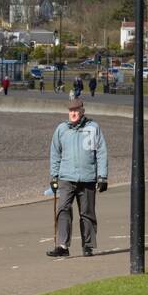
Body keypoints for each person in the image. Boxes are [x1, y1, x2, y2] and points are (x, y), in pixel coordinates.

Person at [47, 99, 108, 257]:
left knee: (87, 213)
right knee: (63, 209)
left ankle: (87, 245)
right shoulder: (62, 129)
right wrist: (54, 177)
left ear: (82, 111)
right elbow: (55, 153)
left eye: (76, 110)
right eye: (71, 111)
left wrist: (102, 177)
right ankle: (62, 246)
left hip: (87, 178)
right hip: (66, 177)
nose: (73, 113)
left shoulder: (93, 128)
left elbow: (101, 152)